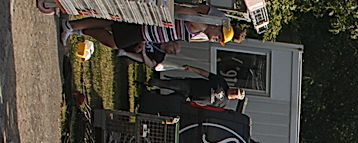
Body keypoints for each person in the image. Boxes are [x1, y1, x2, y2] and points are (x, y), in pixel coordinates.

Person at [62, 16, 235, 70]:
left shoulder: (201, 32)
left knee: (112, 29)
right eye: (217, 36)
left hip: (148, 34)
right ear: (216, 27)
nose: (214, 39)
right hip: (146, 27)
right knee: (113, 38)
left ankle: (76, 28)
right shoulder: (200, 22)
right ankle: (74, 27)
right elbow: (180, 12)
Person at [147, 65, 246, 106]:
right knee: (166, 84)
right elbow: (206, 74)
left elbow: (208, 109)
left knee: (166, 101)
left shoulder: (223, 104)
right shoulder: (222, 82)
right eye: (235, 90)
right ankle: (148, 82)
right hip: (189, 85)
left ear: (234, 98)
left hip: (189, 99)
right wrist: (192, 68)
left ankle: (147, 96)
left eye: (235, 94)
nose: (233, 92)